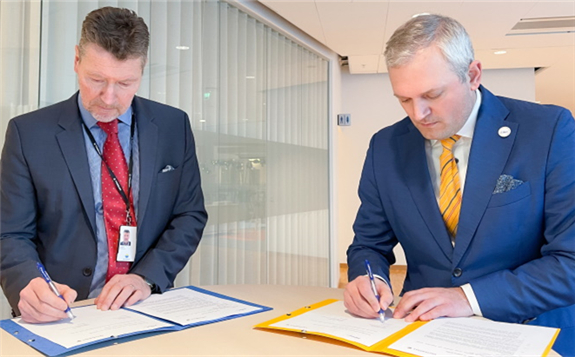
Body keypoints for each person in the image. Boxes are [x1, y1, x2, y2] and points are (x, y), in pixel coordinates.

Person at [344, 14, 575, 356]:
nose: (418, 113)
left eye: (431, 95)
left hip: (530, 332)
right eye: (404, 99)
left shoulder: (548, 129)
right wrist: (369, 277)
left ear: (472, 75)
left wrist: (467, 297)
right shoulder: (386, 146)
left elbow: (569, 261)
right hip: (422, 336)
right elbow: (368, 244)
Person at [0, 6, 207, 324]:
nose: (109, 98)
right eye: (96, 79)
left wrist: (147, 277)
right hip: (62, 314)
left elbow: (189, 215)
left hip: (143, 307)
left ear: (142, 70)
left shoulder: (172, 126)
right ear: (76, 61)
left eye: (125, 83)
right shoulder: (28, 133)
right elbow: (10, 233)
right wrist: (28, 283)